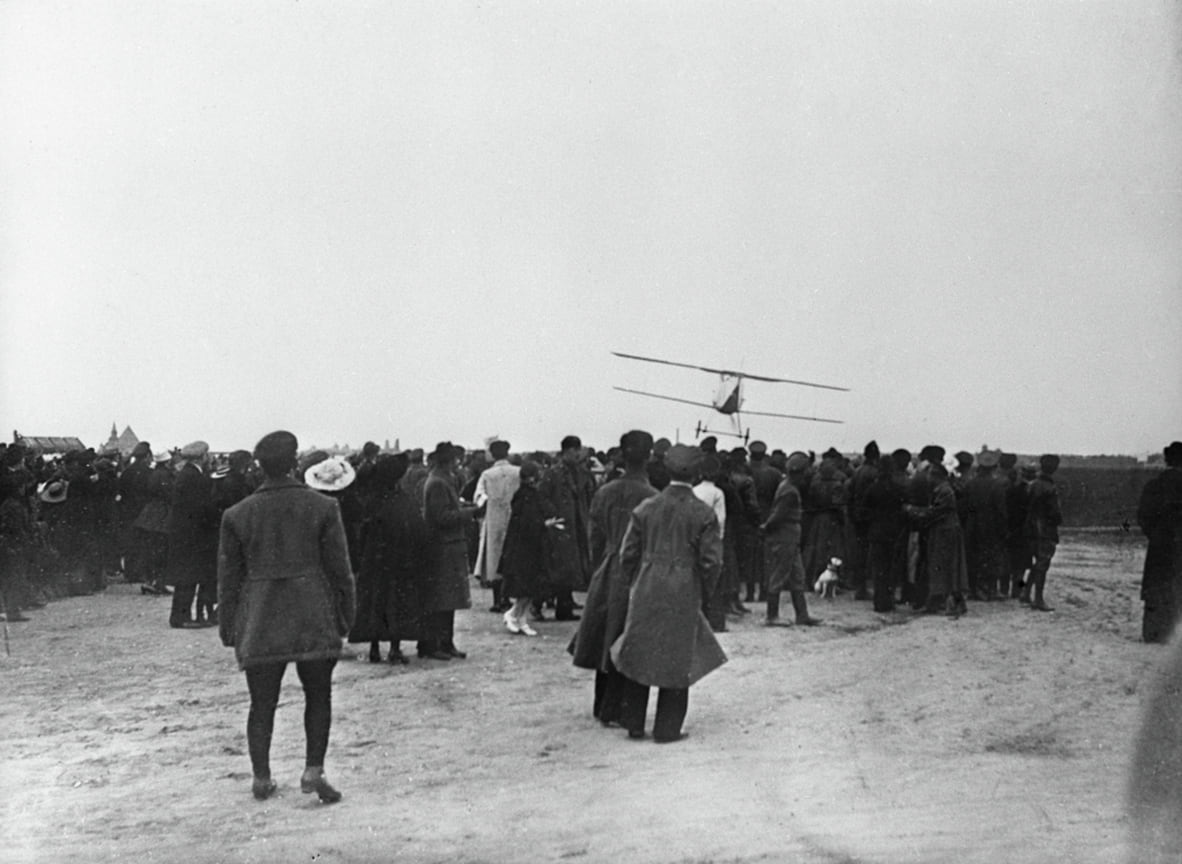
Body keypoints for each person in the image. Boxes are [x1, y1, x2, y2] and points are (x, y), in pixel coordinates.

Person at [217, 430, 356, 803]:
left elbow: (228, 579)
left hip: (260, 616)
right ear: (295, 462)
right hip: (312, 611)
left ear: (259, 465)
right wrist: (345, 617)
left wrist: (229, 627)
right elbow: (340, 570)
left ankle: (261, 777)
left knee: (261, 702)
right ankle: (313, 769)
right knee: (319, 695)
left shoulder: (236, 514)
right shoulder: (324, 507)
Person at [610, 444, 726, 743]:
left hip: (647, 584)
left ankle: (633, 722)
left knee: (638, 649)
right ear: (697, 473)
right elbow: (711, 562)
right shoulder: (703, 513)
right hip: (684, 589)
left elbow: (627, 554)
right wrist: (704, 591)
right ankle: (667, 728)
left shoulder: (646, 507)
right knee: (677, 655)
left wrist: (635, 582)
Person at [570, 430, 658, 725]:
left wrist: (601, 567)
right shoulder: (652, 497)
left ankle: (602, 706)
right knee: (629, 637)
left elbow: (593, 537)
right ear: (650, 456)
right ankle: (620, 708)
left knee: (607, 633)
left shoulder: (604, 492)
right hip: (637, 573)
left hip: (607, 570)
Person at [348, 453, 427, 664]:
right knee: (397, 602)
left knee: (376, 601)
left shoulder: (372, 499)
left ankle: (374, 648)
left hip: (375, 559)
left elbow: (363, 532)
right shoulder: (401, 500)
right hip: (399, 559)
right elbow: (415, 528)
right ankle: (394, 648)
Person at [421, 442, 478, 660]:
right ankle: (436, 644)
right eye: (455, 459)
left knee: (449, 599)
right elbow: (442, 517)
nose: (458, 463)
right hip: (443, 547)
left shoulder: (442, 480)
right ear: (448, 461)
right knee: (442, 598)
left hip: (448, 546)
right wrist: (470, 512)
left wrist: (465, 508)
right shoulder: (437, 483)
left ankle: (446, 642)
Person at [761, 453, 822, 627]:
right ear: (797, 473)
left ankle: (802, 615)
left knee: (797, 576)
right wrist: (766, 528)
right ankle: (771, 616)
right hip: (785, 535)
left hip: (790, 535)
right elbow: (778, 515)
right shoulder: (789, 491)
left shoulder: (787, 487)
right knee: (780, 574)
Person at [537, 435, 594, 621]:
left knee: (570, 568)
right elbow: (542, 497)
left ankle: (565, 605)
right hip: (561, 527)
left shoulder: (581, 472)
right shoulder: (553, 473)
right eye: (574, 451)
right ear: (566, 451)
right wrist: (555, 515)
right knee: (560, 569)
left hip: (577, 526)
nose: (577, 454)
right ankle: (559, 608)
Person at [904, 462, 970, 617]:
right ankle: (946, 601)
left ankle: (948, 603)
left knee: (945, 565)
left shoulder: (944, 491)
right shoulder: (941, 489)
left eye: (930, 474)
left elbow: (935, 512)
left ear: (936, 476)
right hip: (943, 531)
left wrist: (912, 510)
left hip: (945, 533)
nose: (927, 477)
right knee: (944, 566)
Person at [166, 441, 219, 627]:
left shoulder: (187, 474)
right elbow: (201, 507)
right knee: (188, 576)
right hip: (193, 534)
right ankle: (181, 617)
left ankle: (182, 615)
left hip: (185, 532)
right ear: (202, 456)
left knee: (187, 575)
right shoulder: (195, 477)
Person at [1137, 442, 1182, 643]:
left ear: (1166, 460)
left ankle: (1152, 633)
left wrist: (1155, 535)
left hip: (1160, 543)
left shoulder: (1154, 485)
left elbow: (1142, 517)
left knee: (1156, 586)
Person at [473, 440, 520, 614]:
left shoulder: (487, 474)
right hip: (515, 519)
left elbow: (479, 497)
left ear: (492, 454)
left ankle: (498, 600)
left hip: (494, 520)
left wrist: (488, 505)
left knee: (494, 558)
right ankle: (510, 598)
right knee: (513, 558)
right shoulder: (518, 472)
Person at [963, 450, 1008, 601]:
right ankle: (988, 589)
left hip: (972, 525)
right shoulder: (997, 485)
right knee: (990, 558)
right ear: (993, 467)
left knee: (973, 556)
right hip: (990, 526)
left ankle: (974, 589)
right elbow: (1001, 510)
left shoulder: (970, 483)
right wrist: (1003, 529)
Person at [1022, 454, 1062, 612]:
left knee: (1037, 563)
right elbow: (1055, 513)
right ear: (1054, 468)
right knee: (1043, 563)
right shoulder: (1050, 488)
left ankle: (1026, 593)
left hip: (1031, 528)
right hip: (1045, 530)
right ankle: (1038, 599)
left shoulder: (1032, 485)